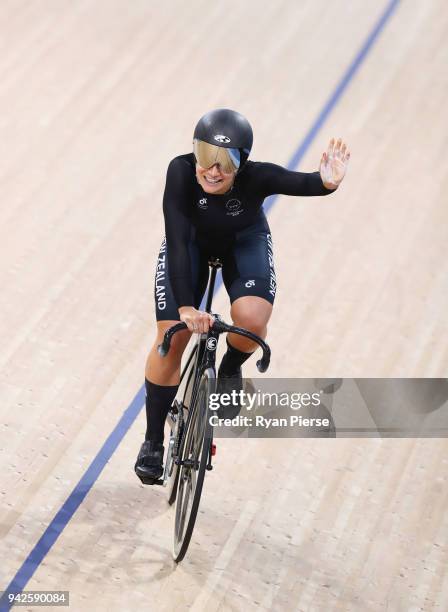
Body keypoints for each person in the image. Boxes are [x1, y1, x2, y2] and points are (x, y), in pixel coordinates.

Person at [135, 108, 350, 484]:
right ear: (194, 153)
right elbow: (179, 242)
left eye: (226, 162)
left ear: (243, 164)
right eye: (205, 157)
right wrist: (187, 307)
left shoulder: (258, 177)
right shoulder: (180, 172)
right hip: (191, 248)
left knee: (251, 320)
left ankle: (231, 365)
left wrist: (327, 182)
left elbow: (301, 182)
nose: (212, 170)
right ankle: (153, 439)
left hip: (243, 244)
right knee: (172, 333)